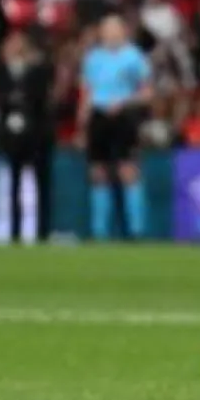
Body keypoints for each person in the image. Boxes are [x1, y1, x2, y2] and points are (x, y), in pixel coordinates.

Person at [78, 14, 153, 241]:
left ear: (123, 31)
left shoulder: (135, 57)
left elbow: (147, 92)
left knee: (128, 170)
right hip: (98, 116)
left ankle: (136, 231)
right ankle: (99, 232)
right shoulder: (93, 59)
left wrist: (125, 101)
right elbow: (86, 93)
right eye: (106, 29)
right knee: (98, 172)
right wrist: (82, 122)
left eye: (115, 29)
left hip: (124, 116)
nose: (111, 33)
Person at [0, 28, 56, 243]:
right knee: (14, 185)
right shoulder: (1, 71)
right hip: (12, 137)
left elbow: (41, 97)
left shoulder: (38, 70)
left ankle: (43, 232)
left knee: (42, 185)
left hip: (37, 135)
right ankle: (15, 232)